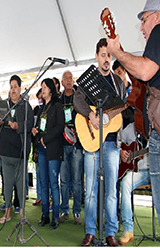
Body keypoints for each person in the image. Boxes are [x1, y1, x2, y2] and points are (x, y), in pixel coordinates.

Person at [107, 0, 160, 228]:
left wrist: (117, 52)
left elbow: (145, 70)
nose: (142, 27)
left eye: (144, 19)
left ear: (158, 16)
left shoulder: (159, 30)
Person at [74, 38, 126, 246]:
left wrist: (111, 114)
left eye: (109, 55)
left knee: (112, 191)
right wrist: (92, 116)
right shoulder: (89, 80)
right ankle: (90, 232)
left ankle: (111, 233)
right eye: (103, 55)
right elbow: (78, 100)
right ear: (96, 56)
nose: (106, 59)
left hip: (111, 143)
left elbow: (123, 106)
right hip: (91, 143)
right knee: (91, 191)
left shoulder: (119, 82)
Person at [0, 75, 33, 224]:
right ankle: (8, 212)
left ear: (20, 88)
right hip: (5, 152)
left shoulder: (25, 106)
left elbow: (30, 124)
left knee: (21, 184)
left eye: (15, 87)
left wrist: (18, 126)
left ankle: (22, 213)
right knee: (7, 184)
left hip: (20, 152)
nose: (13, 90)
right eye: (11, 87)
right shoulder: (4, 105)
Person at [32, 78, 64, 230]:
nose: (42, 89)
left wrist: (46, 138)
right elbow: (40, 127)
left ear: (51, 89)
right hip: (42, 149)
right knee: (43, 183)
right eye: (42, 87)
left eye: (45, 87)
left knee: (53, 184)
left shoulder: (57, 106)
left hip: (53, 149)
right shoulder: (41, 108)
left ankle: (55, 217)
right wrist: (36, 132)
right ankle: (45, 215)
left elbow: (59, 127)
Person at [118, 122, 150, 245]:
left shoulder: (156, 126)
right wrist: (121, 152)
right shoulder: (131, 128)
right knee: (125, 182)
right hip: (139, 172)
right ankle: (128, 229)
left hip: (155, 171)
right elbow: (117, 142)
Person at [59, 70, 84, 225]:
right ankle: (64, 210)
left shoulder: (80, 97)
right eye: (66, 78)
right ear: (62, 83)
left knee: (76, 181)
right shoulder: (58, 99)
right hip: (62, 144)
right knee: (63, 180)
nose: (69, 80)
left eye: (70, 78)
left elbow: (86, 117)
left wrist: (78, 130)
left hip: (77, 145)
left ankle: (76, 212)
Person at [32, 88, 43, 206]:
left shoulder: (47, 109)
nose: (40, 100)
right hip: (35, 144)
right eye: (38, 98)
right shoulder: (35, 109)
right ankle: (39, 196)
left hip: (46, 143)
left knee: (46, 174)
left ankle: (48, 197)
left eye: (41, 97)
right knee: (38, 172)